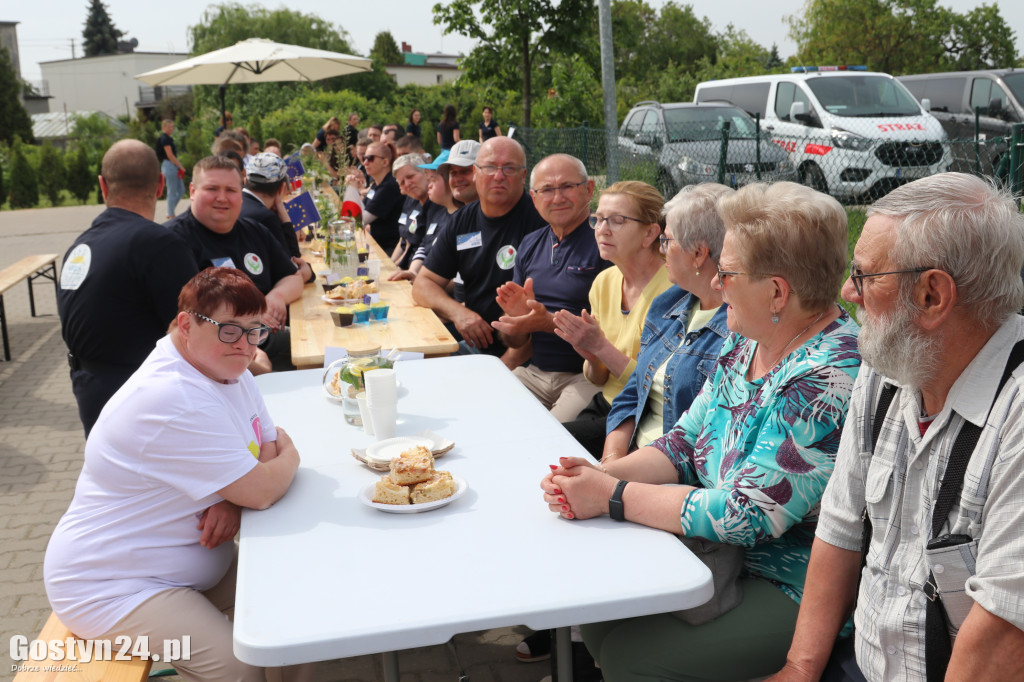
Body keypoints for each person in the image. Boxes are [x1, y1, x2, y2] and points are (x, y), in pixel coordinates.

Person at [543, 181, 862, 682]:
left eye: (728, 273)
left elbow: (746, 514)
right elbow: (684, 442)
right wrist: (595, 475)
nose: (716, 285)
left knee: (632, 659)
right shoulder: (750, 338)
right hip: (718, 556)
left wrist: (611, 495)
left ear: (777, 291)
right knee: (602, 625)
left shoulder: (829, 371)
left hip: (787, 579)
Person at [768, 173, 1024, 682]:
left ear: (932, 294)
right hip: (862, 665)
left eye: (863, 276)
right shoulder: (888, 366)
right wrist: (798, 669)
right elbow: (839, 528)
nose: (848, 292)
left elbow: (1003, 632)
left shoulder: (1014, 408)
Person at [45, 267, 311, 682]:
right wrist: (287, 459)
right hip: (110, 588)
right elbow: (264, 483)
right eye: (229, 330)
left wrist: (230, 497)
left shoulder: (225, 370)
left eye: (254, 330)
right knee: (235, 667)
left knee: (296, 606)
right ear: (186, 325)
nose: (244, 346)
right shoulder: (172, 396)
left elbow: (264, 449)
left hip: (179, 570)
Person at [58, 139, 199, 436]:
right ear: (161, 185)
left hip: (89, 388)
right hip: (140, 396)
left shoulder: (80, 246)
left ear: (102, 186)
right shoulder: (161, 245)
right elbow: (197, 332)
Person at [602, 183, 734, 463]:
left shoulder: (739, 326)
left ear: (699, 253)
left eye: (667, 241)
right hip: (632, 461)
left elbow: (707, 441)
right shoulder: (668, 304)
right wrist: (611, 461)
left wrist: (614, 479)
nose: (662, 251)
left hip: (674, 474)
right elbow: (632, 395)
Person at [555, 181, 673, 457]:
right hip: (608, 403)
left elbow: (657, 389)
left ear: (650, 234)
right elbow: (598, 379)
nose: (602, 229)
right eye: (598, 219)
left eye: (617, 220)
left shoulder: (672, 289)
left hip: (646, 416)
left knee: (554, 446)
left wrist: (600, 347)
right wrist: (592, 355)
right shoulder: (605, 281)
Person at [491, 154, 610, 422]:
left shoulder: (605, 242)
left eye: (568, 186)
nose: (557, 198)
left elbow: (617, 331)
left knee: (550, 436)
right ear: (534, 198)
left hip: (588, 375)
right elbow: (517, 343)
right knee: (487, 415)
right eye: (546, 190)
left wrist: (548, 323)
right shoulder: (530, 244)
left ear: (589, 189)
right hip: (534, 372)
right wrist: (518, 322)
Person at [413, 137, 546, 365]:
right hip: (477, 348)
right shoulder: (463, 221)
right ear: (477, 173)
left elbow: (542, 325)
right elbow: (422, 285)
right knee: (410, 361)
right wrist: (459, 313)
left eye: (509, 168)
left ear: (524, 176)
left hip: (526, 357)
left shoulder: (541, 222)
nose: (499, 175)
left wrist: (500, 373)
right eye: (490, 167)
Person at [167, 155, 305, 371]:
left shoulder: (255, 231)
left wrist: (275, 297)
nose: (222, 198)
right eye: (212, 189)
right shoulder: (172, 242)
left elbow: (293, 277)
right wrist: (249, 357)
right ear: (193, 191)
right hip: (220, 356)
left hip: (259, 338)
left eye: (231, 190)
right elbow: (182, 328)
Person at [240, 153, 315, 284]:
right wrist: (282, 212)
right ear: (282, 188)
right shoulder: (265, 217)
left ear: (245, 181)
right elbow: (293, 264)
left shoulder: (236, 204)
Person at [344, 141, 403, 255]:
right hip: (376, 244)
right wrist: (354, 189)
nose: (365, 162)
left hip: (388, 249)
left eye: (370, 158)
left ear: (385, 162)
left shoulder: (389, 186)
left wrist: (352, 188)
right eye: (364, 157)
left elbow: (357, 221)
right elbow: (361, 210)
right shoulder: (378, 184)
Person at [389, 153, 432, 270]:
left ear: (426, 172)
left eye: (410, 176)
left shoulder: (438, 204)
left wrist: (396, 266)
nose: (407, 184)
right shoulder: (411, 200)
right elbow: (403, 240)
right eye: (402, 182)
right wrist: (390, 264)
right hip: (406, 267)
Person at [156, 118, 187, 219]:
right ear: (163, 127)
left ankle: (170, 210)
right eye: (168, 127)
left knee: (181, 190)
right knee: (172, 190)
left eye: (172, 126)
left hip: (172, 165)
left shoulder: (169, 138)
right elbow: (170, 155)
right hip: (169, 165)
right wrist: (180, 166)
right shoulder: (165, 139)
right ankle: (170, 214)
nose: (171, 128)